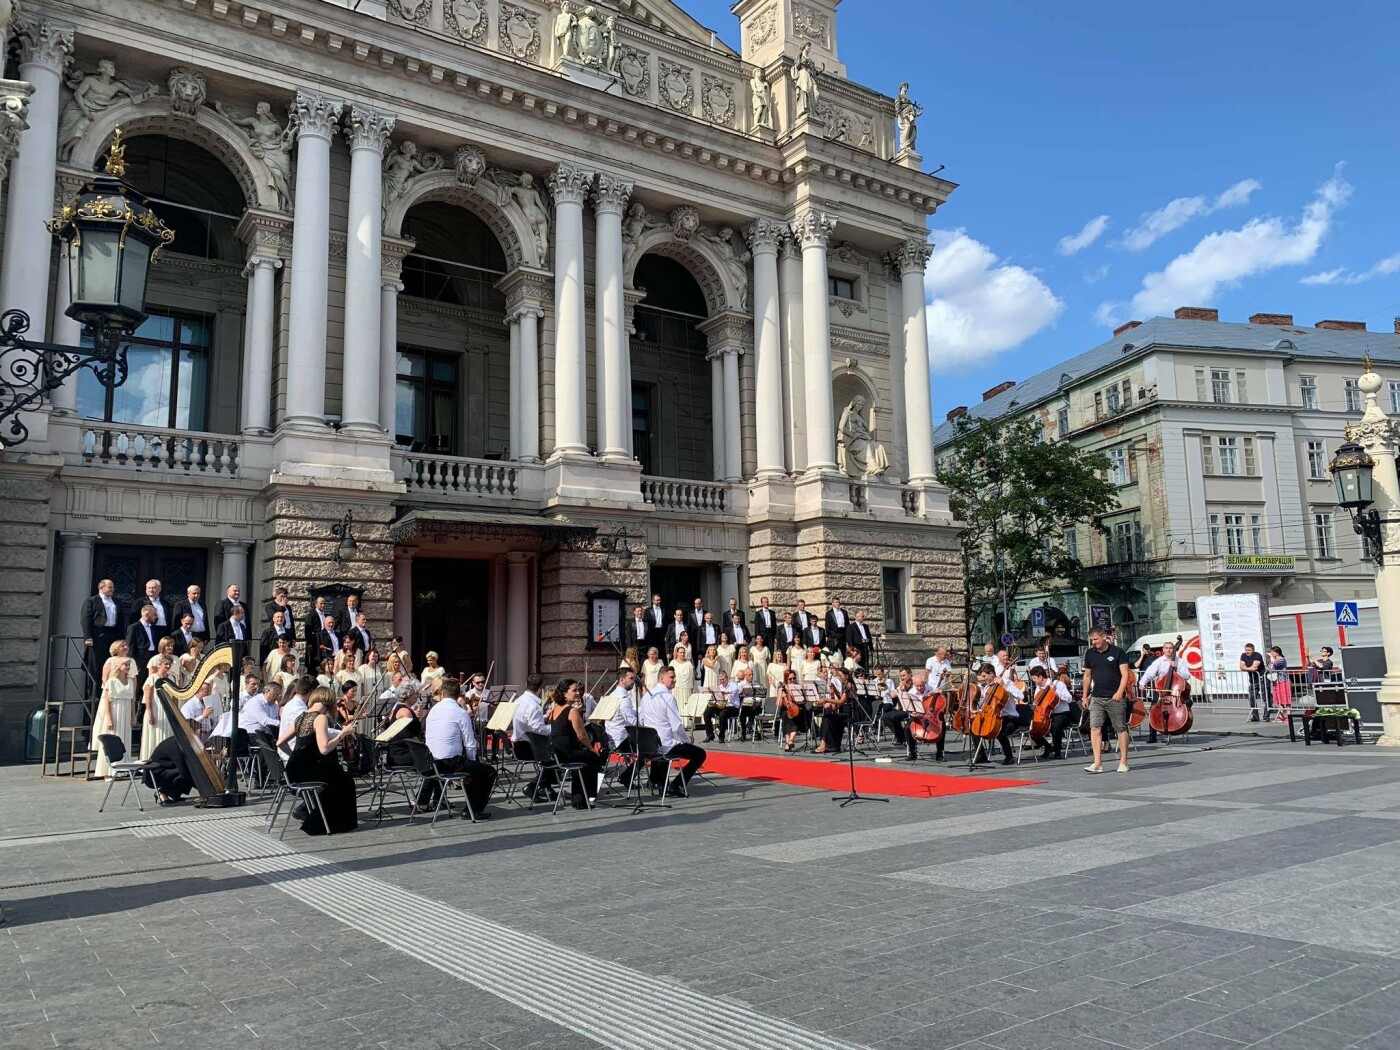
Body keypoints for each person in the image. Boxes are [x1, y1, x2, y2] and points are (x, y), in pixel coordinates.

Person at [285, 687, 359, 835]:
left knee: (338, 776)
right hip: (307, 772)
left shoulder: (301, 716)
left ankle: (322, 816)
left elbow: (279, 742)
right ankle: (334, 823)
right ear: (329, 702)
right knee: (345, 779)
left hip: (293, 770)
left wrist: (296, 755)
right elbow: (324, 748)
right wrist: (342, 735)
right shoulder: (320, 718)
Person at [420, 679, 496, 817]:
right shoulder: (460, 712)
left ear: (442, 693)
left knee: (470, 768)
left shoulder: (433, 710)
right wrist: (473, 762)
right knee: (489, 772)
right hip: (449, 763)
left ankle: (471, 806)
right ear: (458, 695)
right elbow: (470, 743)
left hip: (431, 762)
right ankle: (474, 810)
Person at [639, 665, 706, 794]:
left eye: (675, 677)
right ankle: (677, 784)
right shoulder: (668, 697)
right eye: (671, 677)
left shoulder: (646, 696)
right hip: (665, 745)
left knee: (665, 743)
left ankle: (657, 781)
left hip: (651, 745)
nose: (674, 679)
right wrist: (687, 740)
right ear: (661, 678)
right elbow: (676, 726)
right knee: (700, 754)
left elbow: (641, 720)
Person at [1081, 626, 1131, 773]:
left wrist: (1120, 692)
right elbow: (1087, 676)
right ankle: (1097, 762)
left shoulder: (1118, 652)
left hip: (1114, 696)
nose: (1094, 642)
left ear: (1103, 637)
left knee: (1120, 728)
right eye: (1091, 640)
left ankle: (1123, 762)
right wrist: (1085, 695)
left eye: (1095, 639)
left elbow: (1125, 674)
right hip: (1097, 696)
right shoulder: (1090, 653)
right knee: (1095, 727)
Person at [547, 679, 603, 809]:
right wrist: (591, 749)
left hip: (557, 752)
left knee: (583, 761)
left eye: (578, 690)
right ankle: (587, 796)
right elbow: (581, 734)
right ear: (565, 694)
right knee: (593, 758)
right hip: (567, 753)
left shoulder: (555, 708)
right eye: (574, 690)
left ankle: (579, 798)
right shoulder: (571, 711)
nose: (578, 693)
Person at [1140, 640, 1194, 743]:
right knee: (1153, 709)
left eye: (1171, 648)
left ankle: (1179, 724)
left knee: (1188, 703)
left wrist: (1176, 668)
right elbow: (1149, 673)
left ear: (1173, 649)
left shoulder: (1180, 661)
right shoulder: (1159, 661)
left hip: (1176, 692)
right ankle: (1152, 736)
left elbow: (1187, 676)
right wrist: (1142, 683)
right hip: (1162, 690)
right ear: (1163, 650)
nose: (1169, 650)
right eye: (1167, 648)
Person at [81, 579, 126, 699]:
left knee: (113, 662)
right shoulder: (91, 601)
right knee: (95, 665)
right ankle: (94, 694)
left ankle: (111, 691)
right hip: (98, 635)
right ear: (101, 588)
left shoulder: (116, 601)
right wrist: (88, 637)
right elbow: (86, 619)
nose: (112, 590)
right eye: (110, 587)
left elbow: (120, 619)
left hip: (113, 635)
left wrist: (121, 638)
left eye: (113, 587)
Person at [94, 658, 136, 779]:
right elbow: (107, 701)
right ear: (118, 666)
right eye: (125, 665)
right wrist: (109, 718)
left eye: (129, 665)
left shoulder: (130, 681)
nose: (128, 667)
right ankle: (107, 771)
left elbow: (132, 700)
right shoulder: (111, 681)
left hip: (126, 711)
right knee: (113, 738)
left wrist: (133, 716)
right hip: (115, 711)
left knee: (124, 737)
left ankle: (122, 769)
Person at [1026, 665, 1073, 759]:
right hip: (1046, 714)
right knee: (1033, 729)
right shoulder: (1038, 688)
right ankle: (1047, 747)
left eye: (1034, 678)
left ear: (1040, 677)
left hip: (1061, 713)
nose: (1033, 680)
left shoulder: (1058, 684)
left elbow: (1069, 699)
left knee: (1055, 727)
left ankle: (1058, 752)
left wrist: (1056, 692)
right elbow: (1037, 703)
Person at [138, 655, 177, 761]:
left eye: (169, 664)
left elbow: (174, 697)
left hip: (167, 710)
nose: (168, 666)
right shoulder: (152, 678)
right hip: (156, 709)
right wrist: (150, 713)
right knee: (154, 736)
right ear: (159, 665)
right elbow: (148, 697)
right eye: (166, 664)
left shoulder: (172, 678)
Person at [142, 735, 195, 804]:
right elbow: (182, 768)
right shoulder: (174, 745)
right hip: (154, 776)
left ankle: (172, 794)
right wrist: (204, 790)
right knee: (186, 773)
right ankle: (163, 792)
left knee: (187, 772)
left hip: (164, 771)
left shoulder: (178, 741)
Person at [814, 666, 851, 754]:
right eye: (839, 676)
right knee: (826, 717)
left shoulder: (849, 685)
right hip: (843, 710)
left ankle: (826, 744)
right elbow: (841, 697)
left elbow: (841, 701)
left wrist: (827, 700)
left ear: (847, 676)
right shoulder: (844, 684)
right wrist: (834, 690)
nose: (839, 677)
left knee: (827, 718)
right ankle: (829, 744)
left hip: (850, 712)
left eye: (841, 675)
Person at [777, 667, 808, 751]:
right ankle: (789, 741)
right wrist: (782, 698)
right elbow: (778, 705)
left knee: (796, 715)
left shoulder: (798, 687)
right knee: (786, 716)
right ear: (786, 679)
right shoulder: (782, 689)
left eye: (794, 678)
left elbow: (804, 701)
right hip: (785, 709)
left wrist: (798, 697)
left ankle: (790, 741)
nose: (792, 680)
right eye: (790, 679)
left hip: (798, 708)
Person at [1239, 643, 1266, 721]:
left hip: (1262, 678)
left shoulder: (1257, 655)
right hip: (1253, 680)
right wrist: (1248, 668)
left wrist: (1246, 668)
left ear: (1253, 650)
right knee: (1252, 698)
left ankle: (1266, 716)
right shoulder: (1243, 655)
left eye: (1249, 650)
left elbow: (1254, 667)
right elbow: (1241, 667)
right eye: (1246, 650)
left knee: (1265, 698)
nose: (1247, 652)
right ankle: (1255, 716)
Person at [668, 644, 695, 716]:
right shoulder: (673, 663)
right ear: (677, 653)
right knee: (677, 705)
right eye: (680, 652)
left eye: (683, 652)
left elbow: (692, 677)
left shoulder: (689, 663)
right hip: (676, 688)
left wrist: (693, 687)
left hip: (687, 688)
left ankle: (687, 724)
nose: (682, 654)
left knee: (686, 706)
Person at [1268, 646, 1292, 719]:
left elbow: (1272, 667)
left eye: (1273, 652)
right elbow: (1269, 668)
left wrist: (1272, 660)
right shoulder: (1275, 660)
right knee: (1278, 698)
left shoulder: (1281, 660)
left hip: (1283, 681)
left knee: (1286, 698)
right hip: (1276, 681)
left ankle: (1289, 715)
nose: (1271, 653)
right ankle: (1281, 715)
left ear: (1277, 652)